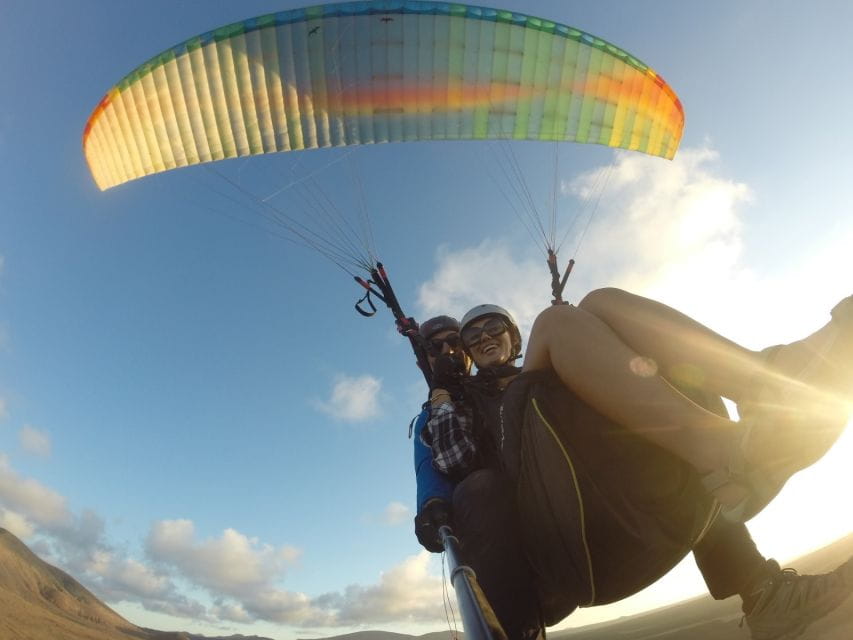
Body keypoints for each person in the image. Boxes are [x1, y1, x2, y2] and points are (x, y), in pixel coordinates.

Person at [416, 303, 853, 639]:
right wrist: (443, 394)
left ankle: (767, 381)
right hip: (547, 524)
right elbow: (459, 465)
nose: (479, 339)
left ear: (512, 337)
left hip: (612, 499)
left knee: (602, 305)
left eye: (491, 328)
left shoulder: (542, 372)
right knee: (556, 321)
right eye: (465, 339)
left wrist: (590, 351)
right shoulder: (458, 401)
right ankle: (731, 451)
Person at [412, 315, 545, 640]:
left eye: (455, 342)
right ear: (426, 356)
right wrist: (433, 503)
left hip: (540, 490)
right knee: (480, 487)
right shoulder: (431, 416)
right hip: (491, 516)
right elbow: (448, 463)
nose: (447, 351)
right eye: (435, 347)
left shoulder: (507, 381)